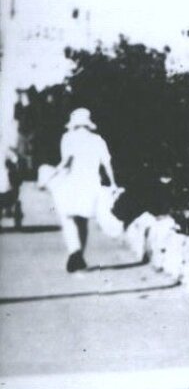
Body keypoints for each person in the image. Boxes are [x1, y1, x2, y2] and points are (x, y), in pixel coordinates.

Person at [48, 108, 117, 272]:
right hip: (92, 184)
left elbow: (66, 161)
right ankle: (80, 256)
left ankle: (75, 251)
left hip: (73, 183)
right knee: (83, 221)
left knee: (69, 218)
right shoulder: (98, 140)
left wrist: (53, 174)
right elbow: (107, 164)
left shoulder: (68, 138)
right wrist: (113, 183)